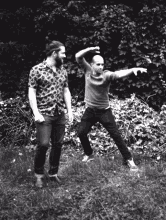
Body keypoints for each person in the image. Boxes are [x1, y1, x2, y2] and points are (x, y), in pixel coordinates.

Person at [75, 46, 147, 171]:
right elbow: (78, 56)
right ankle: (89, 153)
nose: (101, 67)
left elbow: (118, 74)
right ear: (91, 65)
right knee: (81, 132)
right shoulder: (87, 70)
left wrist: (133, 69)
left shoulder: (106, 75)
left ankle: (129, 159)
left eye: (102, 64)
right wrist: (91, 49)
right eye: (98, 64)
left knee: (116, 136)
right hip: (90, 110)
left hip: (104, 111)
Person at [28, 41, 73, 188]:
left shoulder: (63, 71)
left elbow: (66, 91)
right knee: (43, 144)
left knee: (58, 144)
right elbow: (32, 92)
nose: (65, 56)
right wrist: (36, 112)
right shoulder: (36, 70)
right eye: (63, 53)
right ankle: (38, 175)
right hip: (44, 113)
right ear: (54, 53)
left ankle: (53, 173)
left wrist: (70, 110)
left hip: (59, 113)